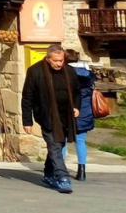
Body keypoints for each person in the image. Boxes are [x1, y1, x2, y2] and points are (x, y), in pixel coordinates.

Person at [22, 43, 82, 194]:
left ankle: (49, 174)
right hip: (47, 115)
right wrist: (27, 121)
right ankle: (62, 177)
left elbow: (77, 91)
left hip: (65, 115)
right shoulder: (35, 71)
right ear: (48, 58)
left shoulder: (69, 71)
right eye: (55, 61)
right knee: (55, 145)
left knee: (59, 144)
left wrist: (76, 106)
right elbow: (27, 97)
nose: (59, 64)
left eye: (61, 60)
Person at [63, 49, 95, 181]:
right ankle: (82, 170)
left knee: (62, 140)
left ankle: (61, 168)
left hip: (67, 111)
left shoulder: (64, 74)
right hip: (85, 112)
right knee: (80, 141)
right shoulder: (89, 75)